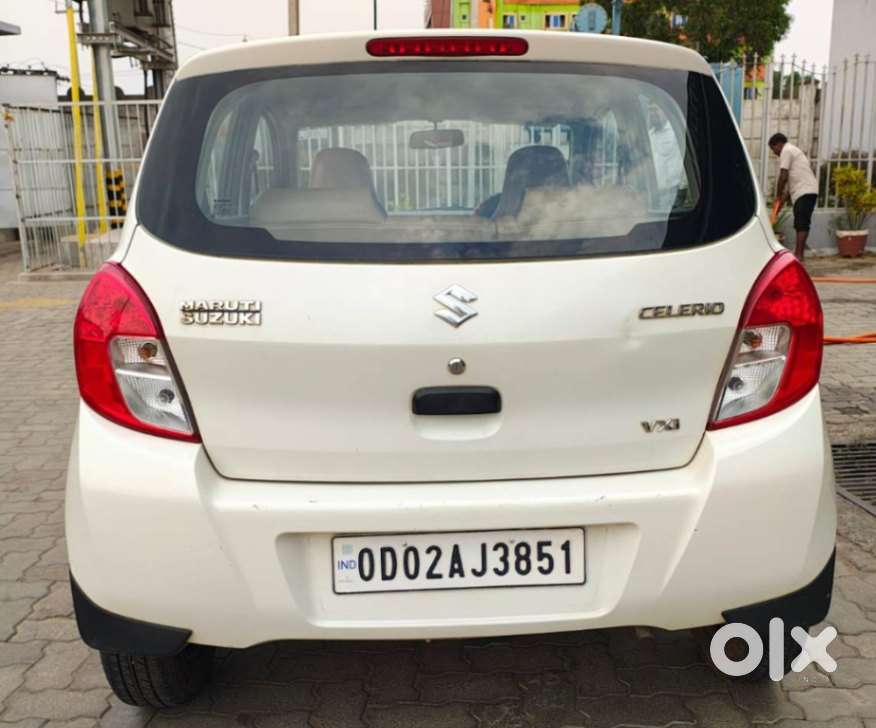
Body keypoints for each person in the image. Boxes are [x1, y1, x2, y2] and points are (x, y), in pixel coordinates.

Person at [769, 133, 819, 261]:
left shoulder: (787, 150)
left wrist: (778, 197)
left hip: (805, 191)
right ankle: (798, 252)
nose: (774, 153)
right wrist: (781, 202)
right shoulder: (793, 152)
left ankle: (799, 255)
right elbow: (790, 186)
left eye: (773, 148)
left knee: (801, 223)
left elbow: (783, 176)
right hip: (804, 191)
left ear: (779, 144)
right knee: (800, 223)